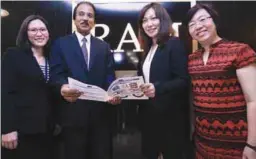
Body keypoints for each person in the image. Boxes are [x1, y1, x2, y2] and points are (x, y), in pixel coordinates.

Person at [49, 1, 120, 159]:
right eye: (81, 14)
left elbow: (109, 76)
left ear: (94, 21)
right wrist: (62, 87)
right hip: (72, 117)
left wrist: (113, 92)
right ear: (74, 19)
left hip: (100, 119)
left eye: (90, 15)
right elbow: (55, 75)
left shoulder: (104, 47)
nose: (85, 18)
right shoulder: (61, 44)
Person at [186, 3, 256, 159]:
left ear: (214, 21)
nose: (198, 26)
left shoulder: (240, 51)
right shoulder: (192, 59)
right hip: (203, 144)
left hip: (236, 144)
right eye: (192, 24)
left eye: (203, 19)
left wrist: (252, 145)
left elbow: (253, 100)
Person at [137, 2, 190, 159]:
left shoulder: (174, 44)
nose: (149, 24)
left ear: (163, 20)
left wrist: (157, 88)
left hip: (171, 120)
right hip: (150, 118)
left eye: (153, 18)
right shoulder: (148, 49)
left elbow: (183, 80)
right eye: (145, 20)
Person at [1, 15, 54, 159]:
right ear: (26, 33)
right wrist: (7, 129)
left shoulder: (53, 57)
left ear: (48, 32)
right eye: (33, 30)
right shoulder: (13, 55)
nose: (39, 34)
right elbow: (5, 93)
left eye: (42, 29)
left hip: (48, 131)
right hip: (20, 131)